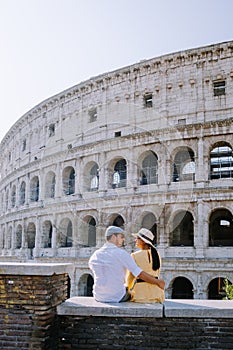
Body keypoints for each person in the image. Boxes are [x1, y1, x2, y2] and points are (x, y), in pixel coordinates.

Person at [88, 225, 165, 303]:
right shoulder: (122, 254)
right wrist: (158, 282)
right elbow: (139, 274)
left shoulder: (95, 255)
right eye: (121, 237)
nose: (123, 239)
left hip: (98, 296)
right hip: (117, 297)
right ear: (114, 237)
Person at [126, 228, 165, 303]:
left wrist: (128, 288)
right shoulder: (157, 255)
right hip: (157, 294)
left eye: (137, 238)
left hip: (141, 294)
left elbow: (130, 277)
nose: (135, 240)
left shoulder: (134, 255)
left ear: (143, 241)